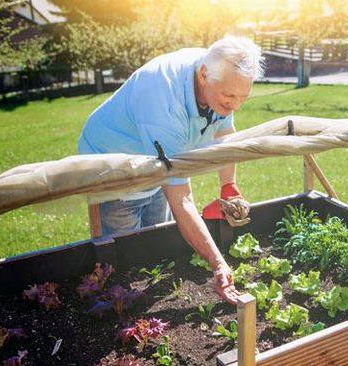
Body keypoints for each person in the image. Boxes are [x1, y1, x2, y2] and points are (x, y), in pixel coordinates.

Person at [77, 35, 264, 305]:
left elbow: (225, 134)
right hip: (113, 169)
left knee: (156, 244)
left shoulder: (224, 75)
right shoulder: (165, 104)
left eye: (242, 98)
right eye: (229, 97)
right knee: (126, 258)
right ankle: (121, 310)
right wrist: (218, 263)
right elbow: (182, 199)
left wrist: (228, 186)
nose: (234, 105)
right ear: (203, 75)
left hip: (154, 157)